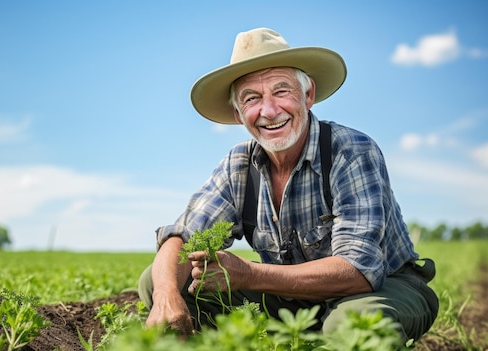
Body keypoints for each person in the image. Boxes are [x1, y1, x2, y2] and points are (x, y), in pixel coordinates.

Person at [138, 27, 439, 342]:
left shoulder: (350, 151)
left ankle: (330, 338)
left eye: (281, 91)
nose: (269, 111)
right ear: (238, 114)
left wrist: (248, 274)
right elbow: (184, 238)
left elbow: (360, 272)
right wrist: (166, 294)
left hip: (382, 288)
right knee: (161, 281)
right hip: (291, 299)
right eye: (251, 98)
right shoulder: (239, 165)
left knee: (352, 326)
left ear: (307, 96)